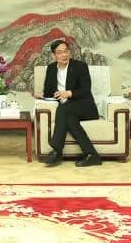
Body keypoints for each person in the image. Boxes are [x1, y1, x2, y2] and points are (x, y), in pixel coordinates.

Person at [41, 39, 102, 167]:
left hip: (85, 107)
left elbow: (86, 90)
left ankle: (57, 150)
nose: (64, 55)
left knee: (63, 110)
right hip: (68, 110)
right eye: (60, 52)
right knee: (69, 119)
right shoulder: (51, 68)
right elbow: (48, 91)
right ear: (54, 55)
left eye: (66, 51)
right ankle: (92, 155)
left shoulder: (80, 66)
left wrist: (69, 93)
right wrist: (41, 95)